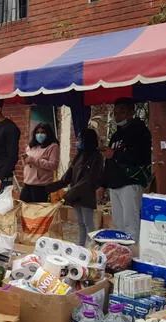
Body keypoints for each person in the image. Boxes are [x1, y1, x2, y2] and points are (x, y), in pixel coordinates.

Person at [98, 97, 152, 241]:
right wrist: (103, 185)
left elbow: (138, 156)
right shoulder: (116, 135)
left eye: (122, 112)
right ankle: (120, 253)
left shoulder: (140, 132)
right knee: (118, 224)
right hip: (115, 182)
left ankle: (133, 252)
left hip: (130, 182)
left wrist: (115, 154)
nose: (118, 116)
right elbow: (109, 161)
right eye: (115, 112)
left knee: (131, 222)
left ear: (131, 112)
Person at [46, 128, 104, 246]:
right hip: (75, 196)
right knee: (81, 223)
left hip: (86, 196)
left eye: (80, 139)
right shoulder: (79, 155)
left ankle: (94, 248)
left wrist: (68, 195)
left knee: (88, 223)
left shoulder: (96, 157)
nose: (78, 141)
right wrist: (47, 188)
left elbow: (88, 180)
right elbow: (66, 178)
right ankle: (81, 246)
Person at [20, 122, 60, 203]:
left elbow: (53, 165)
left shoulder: (53, 146)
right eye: (37, 132)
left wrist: (33, 160)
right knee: (23, 207)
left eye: (42, 132)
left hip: (41, 186)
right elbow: (27, 162)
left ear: (48, 133)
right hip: (28, 183)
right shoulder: (31, 146)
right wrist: (25, 159)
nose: (39, 135)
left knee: (38, 212)